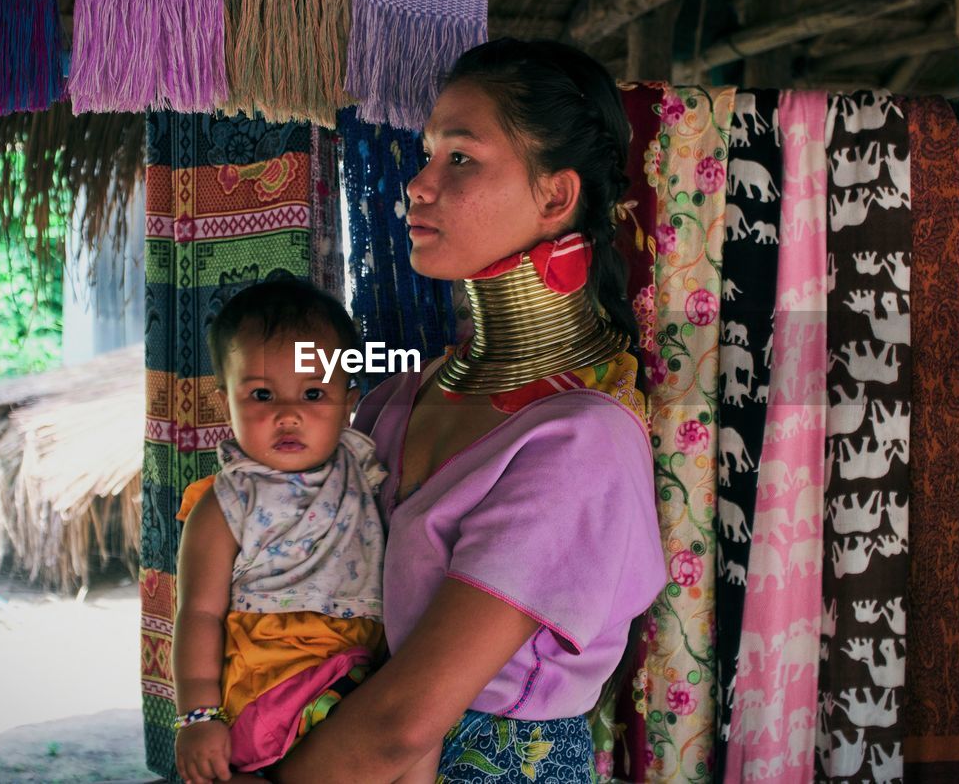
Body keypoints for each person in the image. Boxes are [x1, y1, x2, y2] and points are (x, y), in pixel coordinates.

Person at [263, 38, 667, 782]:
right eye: (426, 155)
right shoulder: (394, 399)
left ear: (555, 195)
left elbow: (404, 720)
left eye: (460, 158)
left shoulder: (583, 442)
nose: (416, 184)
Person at [171, 280, 440, 784]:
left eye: (314, 393)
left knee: (420, 729)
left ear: (347, 402)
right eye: (261, 395)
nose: (288, 413)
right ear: (222, 401)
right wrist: (198, 717)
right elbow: (199, 614)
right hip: (274, 681)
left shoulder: (364, 465)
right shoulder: (226, 502)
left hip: (361, 666)